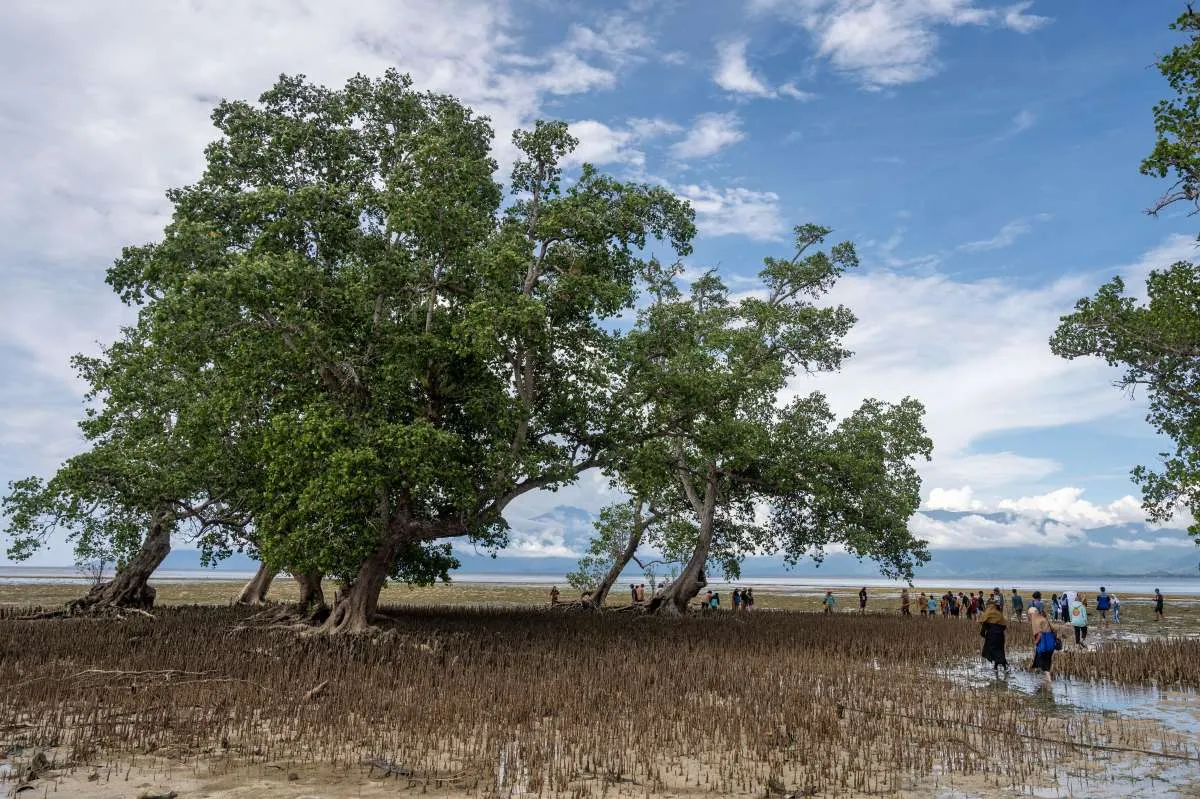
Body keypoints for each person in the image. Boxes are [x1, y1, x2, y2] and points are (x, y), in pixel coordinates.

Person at [1029, 606, 1058, 688]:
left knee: (1043, 661)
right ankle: (1046, 677)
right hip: (1050, 644)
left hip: (1044, 644)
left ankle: (1048, 680)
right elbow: (1054, 630)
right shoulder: (1045, 620)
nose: (1030, 616)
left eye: (1030, 614)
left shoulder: (1036, 620)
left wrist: (1036, 642)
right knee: (1046, 660)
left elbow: (1039, 634)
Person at [978, 598, 1009, 674]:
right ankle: (997, 666)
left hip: (991, 635)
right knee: (999, 649)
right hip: (1000, 636)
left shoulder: (988, 613)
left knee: (993, 650)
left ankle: (1004, 664)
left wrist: (983, 634)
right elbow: (1004, 626)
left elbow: (984, 625)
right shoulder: (999, 614)